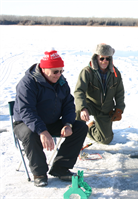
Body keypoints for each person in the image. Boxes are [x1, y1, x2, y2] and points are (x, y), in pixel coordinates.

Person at [13, 49, 88, 187]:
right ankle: (39, 173)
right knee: (30, 134)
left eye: (61, 71)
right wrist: (42, 131)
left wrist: (67, 124)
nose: (58, 75)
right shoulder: (28, 83)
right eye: (55, 71)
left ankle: (61, 167)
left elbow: (69, 105)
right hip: (25, 123)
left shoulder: (61, 82)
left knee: (80, 127)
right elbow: (27, 111)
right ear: (44, 68)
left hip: (50, 121)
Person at [74, 43, 125, 145]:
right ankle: (74, 139)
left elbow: (119, 93)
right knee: (77, 114)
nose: (104, 61)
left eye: (107, 59)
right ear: (96, 58)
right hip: (90, 105)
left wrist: (119, 109)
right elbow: (79, 91)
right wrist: (83, 108)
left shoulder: (115, 73)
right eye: (102, 58)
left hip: (106, 108)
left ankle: (90, 128)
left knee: (106, 140)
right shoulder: (87, 72)